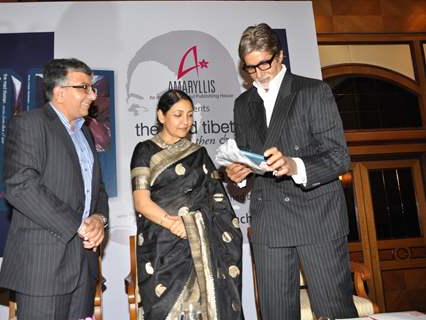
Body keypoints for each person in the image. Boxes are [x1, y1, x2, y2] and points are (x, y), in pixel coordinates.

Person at [226, 23, 358, 319]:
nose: (259, 74)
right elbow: (248, 167)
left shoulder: (313, 91)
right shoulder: (242, 104)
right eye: (250, 69)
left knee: (334, 311)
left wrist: (293, 164)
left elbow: (339, 157)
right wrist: (238, 176)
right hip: (269, 222)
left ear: (280, 55)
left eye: (265, 64)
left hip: (318, 219)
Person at [0, 58, 109, 320]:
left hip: (84, 265)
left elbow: (98, 189)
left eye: (92, 88)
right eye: (84, 87)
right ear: (59, 92)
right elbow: (21, 187)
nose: (92, 95)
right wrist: (79, 225)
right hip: (43, 268)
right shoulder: (30, 124)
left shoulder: (86, 134)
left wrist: (99, 219)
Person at [130, 89, 243, 320]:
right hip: (162, 246)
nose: (186, 122)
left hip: (200, 243)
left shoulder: (198, 154)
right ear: (161, 116)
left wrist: (192, 225)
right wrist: (174, 225)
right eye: (178, 115)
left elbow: (217, 201)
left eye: (190, 115)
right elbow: (141, 202)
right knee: (164, 310)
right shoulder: (145, 151)